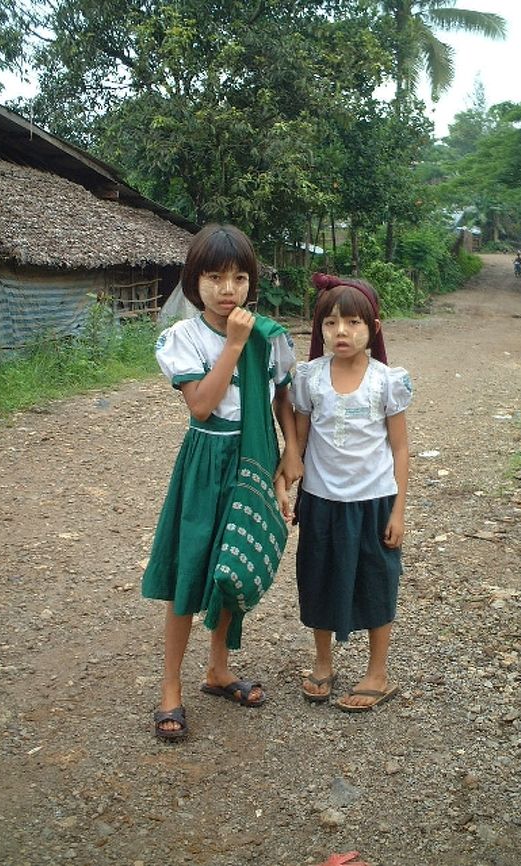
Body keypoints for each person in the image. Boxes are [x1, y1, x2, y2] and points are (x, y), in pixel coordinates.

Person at [142, 223, 302, 740]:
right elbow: (202, 406)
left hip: (253, 458)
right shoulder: (183, 338)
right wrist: (233, 344)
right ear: (195, 281)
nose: (227, 289)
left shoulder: (270, 337)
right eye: (214, 277)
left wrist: (291, 452)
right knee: (189, 570)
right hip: (207, 461)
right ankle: (170, 687)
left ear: (252, 281)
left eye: (238, 277)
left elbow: (283, 397)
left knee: (231, 566)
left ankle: (218, 670)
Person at [275, 273, 412, 712]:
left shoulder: (386, 381)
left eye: (353, 322)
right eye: (331, 323)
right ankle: (322, 663)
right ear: (319, 329)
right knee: (318, 577)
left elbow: (400, 448)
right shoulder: (310, 378)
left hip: (374, 501)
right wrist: (287, 471)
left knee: (376, 580)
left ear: (374, 328)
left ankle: (378, 673)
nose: (341, 332)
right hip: (321, 500)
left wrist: (398, 511)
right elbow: (298, 438)